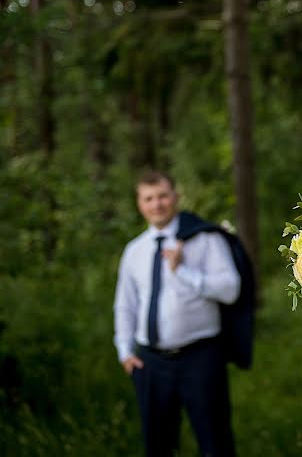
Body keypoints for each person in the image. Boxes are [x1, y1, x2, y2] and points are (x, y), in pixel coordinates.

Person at [114, 170, 240, 457]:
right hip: (150, 364)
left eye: (162, 196)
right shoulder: (134, 251)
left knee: (215, 443)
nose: (156, 204)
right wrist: (124, 351)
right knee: (158, 445)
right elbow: (125, 304)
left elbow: (230, 289)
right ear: (140, 204)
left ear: (175, 197)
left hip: (200, 358)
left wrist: (183, 271)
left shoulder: (205, 239)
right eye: (149, 198)